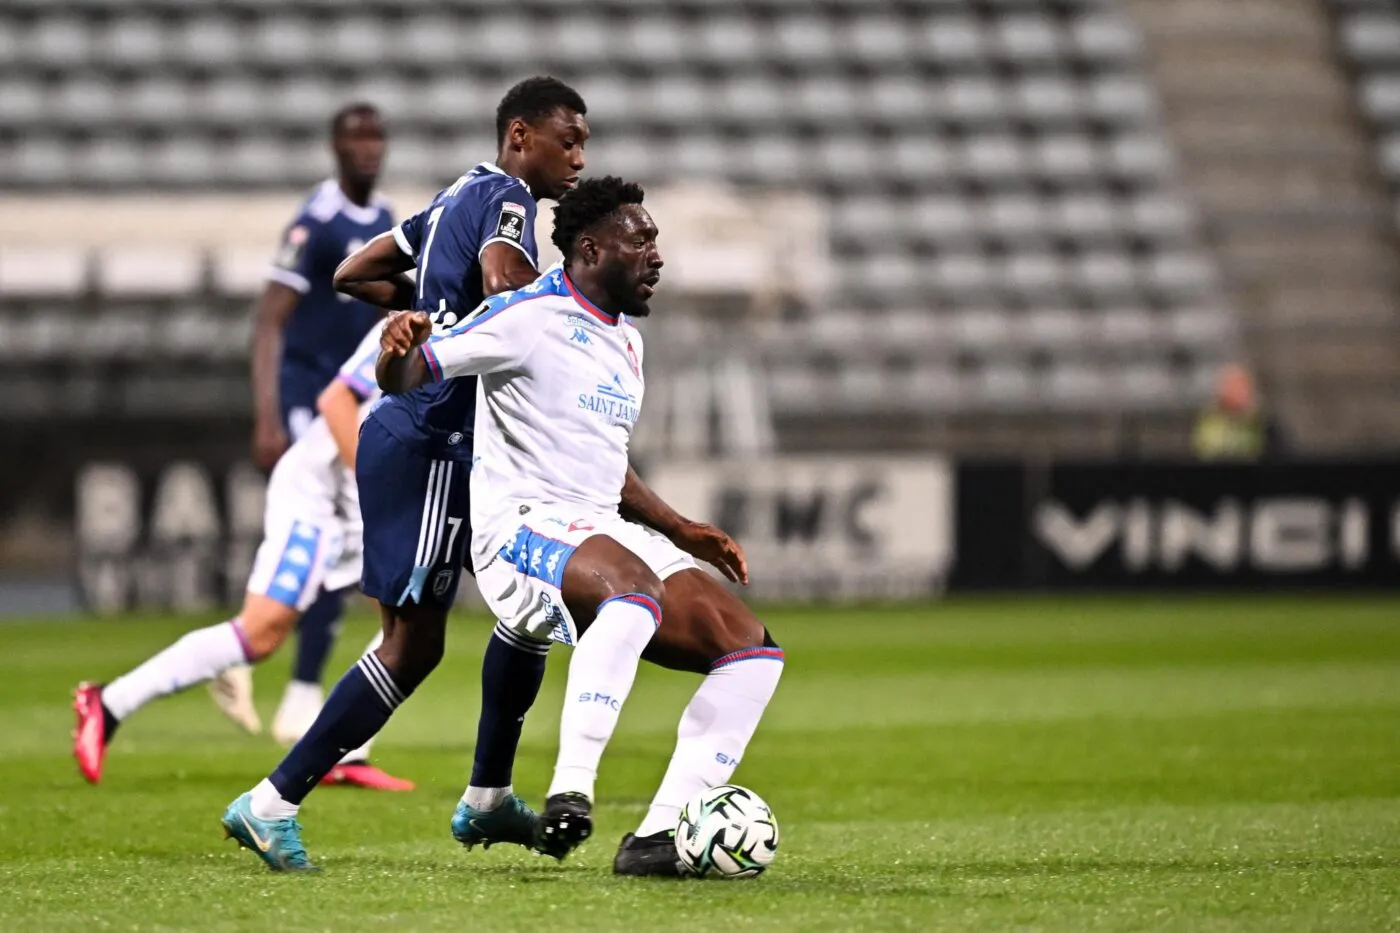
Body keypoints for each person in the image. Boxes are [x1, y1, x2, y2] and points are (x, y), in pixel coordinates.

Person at [220, 76, 592, 871]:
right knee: (412, 644)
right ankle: (272, 800)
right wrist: (548, 315)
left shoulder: (451, 195)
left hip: (423, 434)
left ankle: (488, 794)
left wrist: (430, 310)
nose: (579, 158)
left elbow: (352, 275)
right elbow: (504, 287)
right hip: (433, 435)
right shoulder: (510, 203)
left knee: (514, 606)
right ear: (521, 135)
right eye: (571, 139)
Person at [382, 176, 784, 876]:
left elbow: (608, 465)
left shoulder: (625, 341)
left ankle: (657, 839)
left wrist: (683, 529)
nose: (657, 256)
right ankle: (572, 789)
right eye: (642, 240)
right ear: (592, 248)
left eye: (657, 240)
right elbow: (412, 372)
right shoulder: (526, 314)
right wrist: (398, 346)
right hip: (518, 530)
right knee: (633, 592)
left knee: (751, 649)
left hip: (597, 527)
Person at [72, 323, 412, 792]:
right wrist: (369, 484)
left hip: (373, 499)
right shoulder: (413, 322)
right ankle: (108, 703)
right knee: (260, 633)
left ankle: (347, 752)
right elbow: (335, 401)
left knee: (410, 619)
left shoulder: (491, 327)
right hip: (321, 497)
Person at [236, 102, 394, 746]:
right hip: (310, 398)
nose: (368, 147)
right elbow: (271, 320)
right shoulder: (316, 223)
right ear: (335, 146)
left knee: (336, 551)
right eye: (356, 136)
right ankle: (290, 686)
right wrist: (269, 414)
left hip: (351, 397)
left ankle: (248, 659)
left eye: (376, 135)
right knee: (332, 544)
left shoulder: (383, 220)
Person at [1192, 362, 1288, 461]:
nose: (1238, 392)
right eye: (1232, 386)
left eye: (1242, 387)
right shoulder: (1207, 422)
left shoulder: (1266, 423)